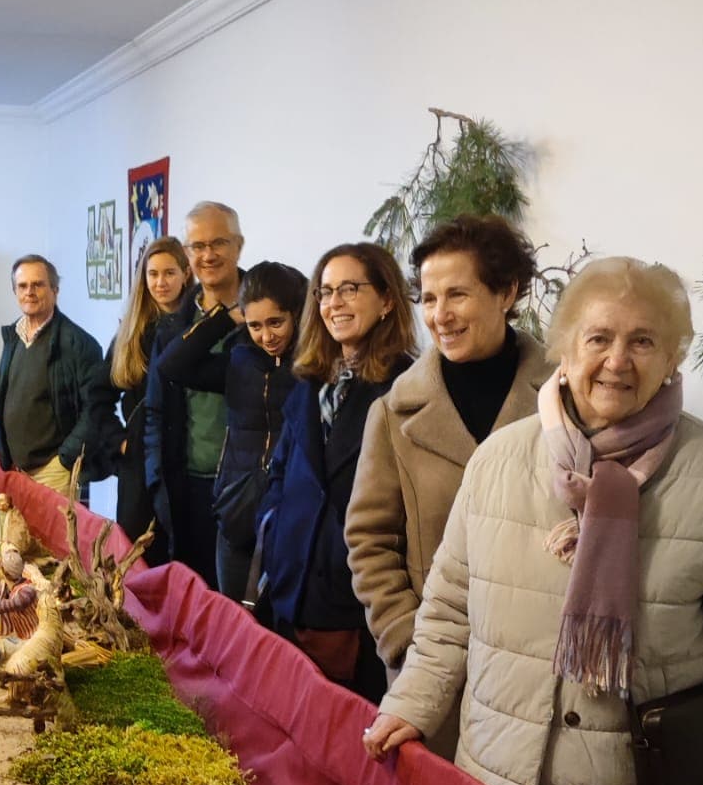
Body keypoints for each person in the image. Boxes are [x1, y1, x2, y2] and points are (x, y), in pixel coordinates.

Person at [362, 257, 703, 785]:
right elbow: (446, 613)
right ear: (565, 344)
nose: (618, 360)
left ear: (673, 356)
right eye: (599, 338)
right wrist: (410, 705)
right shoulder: (500, 459)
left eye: (643, 341)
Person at [346, 214, 548, 737]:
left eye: (457, 294)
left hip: (540, 675)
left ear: (506, 291)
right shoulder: (396, 413)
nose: (440, 315)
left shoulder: (563, 401)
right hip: (438, 678)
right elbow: (369, 540)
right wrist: (406, 640)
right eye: (429, 299)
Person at [260, 244, 417, 693]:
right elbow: (282, 473)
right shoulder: (311, 380)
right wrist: (272, 530)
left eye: (350, 289)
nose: (335, 303)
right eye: (326, 291)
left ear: (387, 300)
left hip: (351, 597)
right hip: (292, 586)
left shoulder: (406, 388)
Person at [156, 260, 304, 601]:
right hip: (236, 512)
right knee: (235, 622)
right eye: (255, 325)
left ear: (295, 314)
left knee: (277, 632)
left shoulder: (312, 365)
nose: (266, 336)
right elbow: (171, 364)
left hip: (289, 514)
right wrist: (225, 318)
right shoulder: (239, 360)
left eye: (275, 322)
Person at [143, 202, 247, 587]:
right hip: (186, 488)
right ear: (187, 255)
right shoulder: (172, 327)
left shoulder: (268, 311)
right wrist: (158, 483)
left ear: (239, 245)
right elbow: (155, 410)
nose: (208, 254)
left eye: (218, 242)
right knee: (194, 605)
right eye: (197, 246)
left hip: (246, 488)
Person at [104, 237, 193, 556]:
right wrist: (119, 441)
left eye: (169, 273)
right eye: (152, 274)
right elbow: (97, 398)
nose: (160, 282)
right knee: (137, 557)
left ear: (186, 274)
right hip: (138, 464)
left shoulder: (198, 328)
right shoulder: (130, 334)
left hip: (186, 461)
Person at [0, 254, 110, 497]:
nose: (30, 292)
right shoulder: (13, 337)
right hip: (17, 469)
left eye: (38, 284)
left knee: (54, 537)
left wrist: (65, 459)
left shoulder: (79, 344)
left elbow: (97, 410)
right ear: (15, 291)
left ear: (55, 290)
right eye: (23, 286)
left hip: (54, 472)